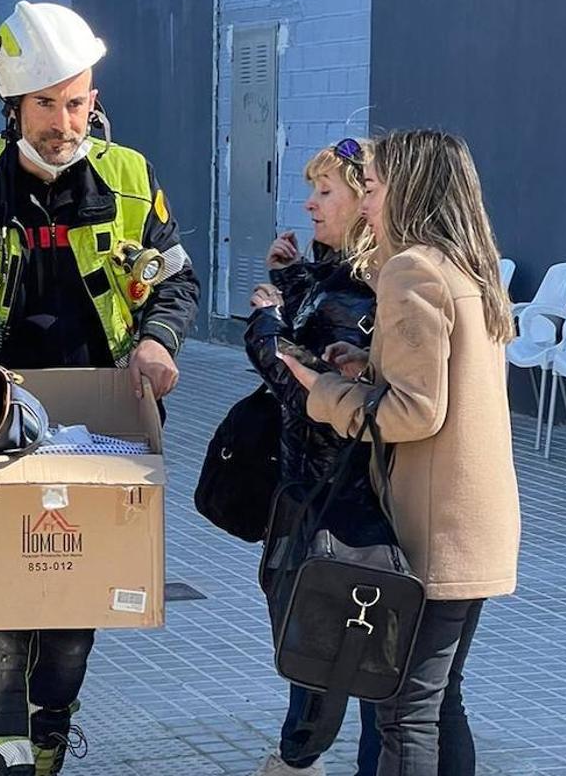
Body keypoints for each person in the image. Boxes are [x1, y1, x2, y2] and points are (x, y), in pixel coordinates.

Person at [0, 1, 200, 776]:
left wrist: (158, 340)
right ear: (14, 106)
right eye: (48, 104)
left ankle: (48, 734)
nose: (66, 120)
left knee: (73, 607)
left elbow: (174, 282)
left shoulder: (130, 179)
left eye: (78, 100)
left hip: (98, 417)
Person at [280, 130, 521, 776]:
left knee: (404, 712)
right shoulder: (467, 266)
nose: (366, 203)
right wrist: (366, 364)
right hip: (475, 525)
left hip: (434, 530)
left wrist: (323, 390)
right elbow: (445, 383)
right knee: (438, 703)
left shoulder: (411, 269)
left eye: (376, 186)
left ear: (410, 188)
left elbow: (416, 412)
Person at [243, 138, 382, 776]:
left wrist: (266, 323)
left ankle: (299, 758)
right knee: (309, 628)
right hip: (308, 487)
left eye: (326, 192)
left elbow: (296, 377)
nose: (310, 202)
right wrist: (294, 275)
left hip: (331, 493)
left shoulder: (368, 288)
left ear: (364, 202)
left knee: (318, 637)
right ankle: (304, 752)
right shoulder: (337, 274)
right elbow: (323, 320)